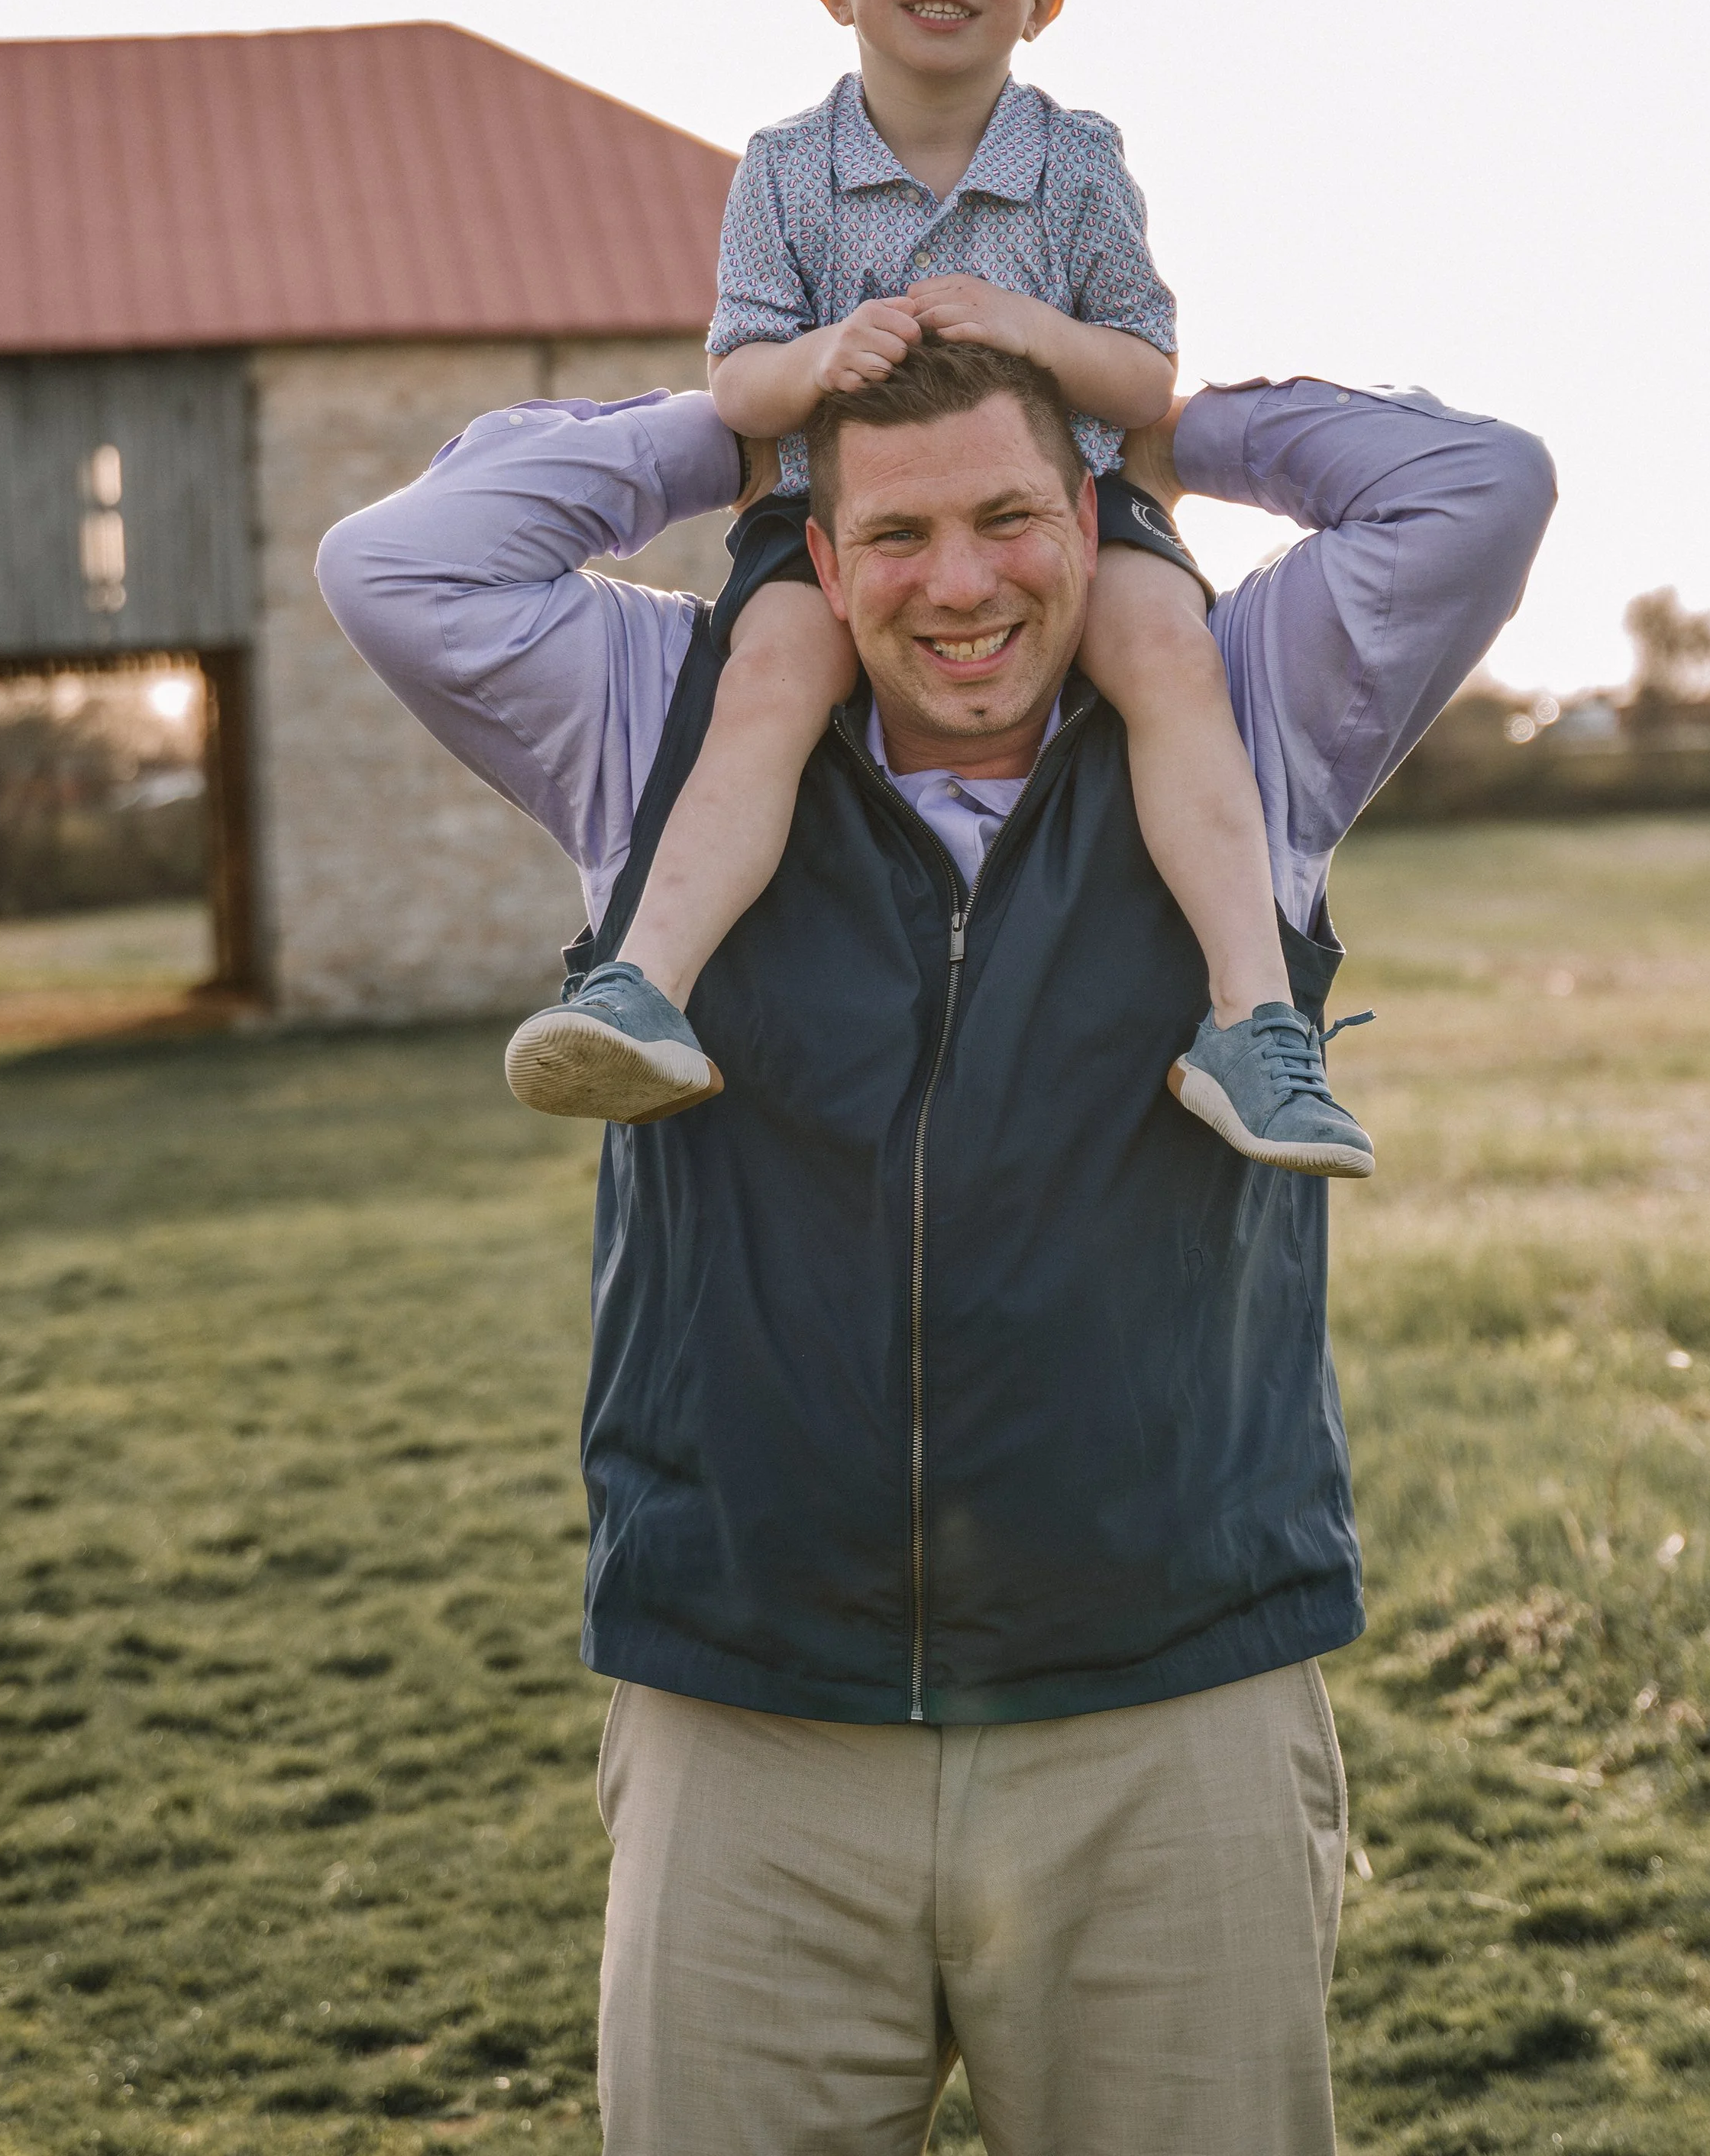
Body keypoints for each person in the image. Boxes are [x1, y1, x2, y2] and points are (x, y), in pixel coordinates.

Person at [317, 344, 1555, 2155]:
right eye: (891, 530)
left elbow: (1482, 489)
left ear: (1089, 524)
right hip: (747, 1719)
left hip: (1169, 1707)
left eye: (1007, 518)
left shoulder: (1240, 717)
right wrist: (747, 417)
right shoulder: (660, 720)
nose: (959, 585)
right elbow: (393, 567)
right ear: (816, 558)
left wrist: (1153, 416)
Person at [501, 0, 1374, 1178]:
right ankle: (642, 986)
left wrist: (1035, 332)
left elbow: (1145, 381)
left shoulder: (1080, 165)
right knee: (771, 674)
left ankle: (1253, 1020)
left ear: (1048, 0)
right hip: (835, 523)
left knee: (1170, 657)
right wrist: (823, 357)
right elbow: (737, 383)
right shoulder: (787, 170)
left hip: (1072, 506)